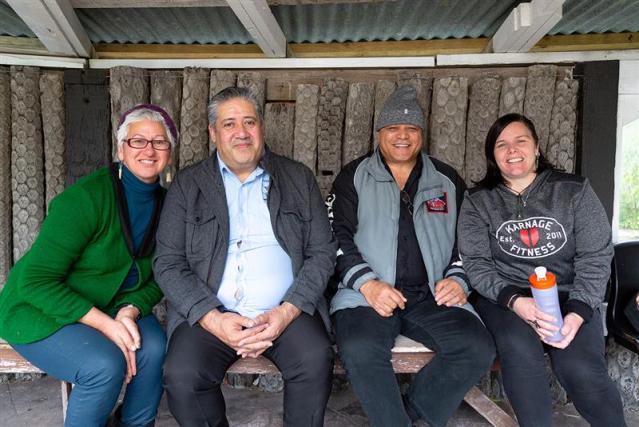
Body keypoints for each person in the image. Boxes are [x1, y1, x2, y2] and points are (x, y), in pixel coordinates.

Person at [153, 86, 336, 427]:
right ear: (213, 132)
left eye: (249, 122)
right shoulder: (188, 185)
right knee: (182, 375)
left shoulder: (297, 178)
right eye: (229, 124)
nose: (241, 132)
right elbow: (168, 262)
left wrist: (286, 311)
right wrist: (213, 318)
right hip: (211, 314)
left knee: (315, 359)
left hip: (286, 313)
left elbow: (322, 253)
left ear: (261, 128)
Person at [326, 85, 495, 427]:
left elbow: (470, 239)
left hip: (431, 294)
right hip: (366, 296)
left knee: (476, 347)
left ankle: (405, 415)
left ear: (421, 134)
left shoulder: (446, 179)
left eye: (411, 129)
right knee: (359, 348)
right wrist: (368, 284)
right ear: (379, 133)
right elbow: (334, 238)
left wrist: (458, 278)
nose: (402, 136)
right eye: (392, 128)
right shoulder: (353, 176)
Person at [0, 104, 176, 427]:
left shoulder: (169, 206)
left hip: (115, 306)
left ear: (170, 151)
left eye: (159, 142)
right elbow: (36, 282)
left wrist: (131, 310)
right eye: (138, 141)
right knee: (104, 365)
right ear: (122, 149)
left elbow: (166, 272)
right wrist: (107, 325)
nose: (149, 150)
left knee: (153, 348)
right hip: (40, 308)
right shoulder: (84, 200)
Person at [458, 113, 626, 426]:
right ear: (493, 156)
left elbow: (595, 255)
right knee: (520, 351)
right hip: (507, 298)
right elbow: (476, 262)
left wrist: (577, 312)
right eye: (502, 145)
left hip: (568, 293)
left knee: (580, 367)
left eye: (520, 141)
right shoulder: (479, 201)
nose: (512, 150)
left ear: (536, 147)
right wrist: (516, 302)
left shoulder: (573, 191)